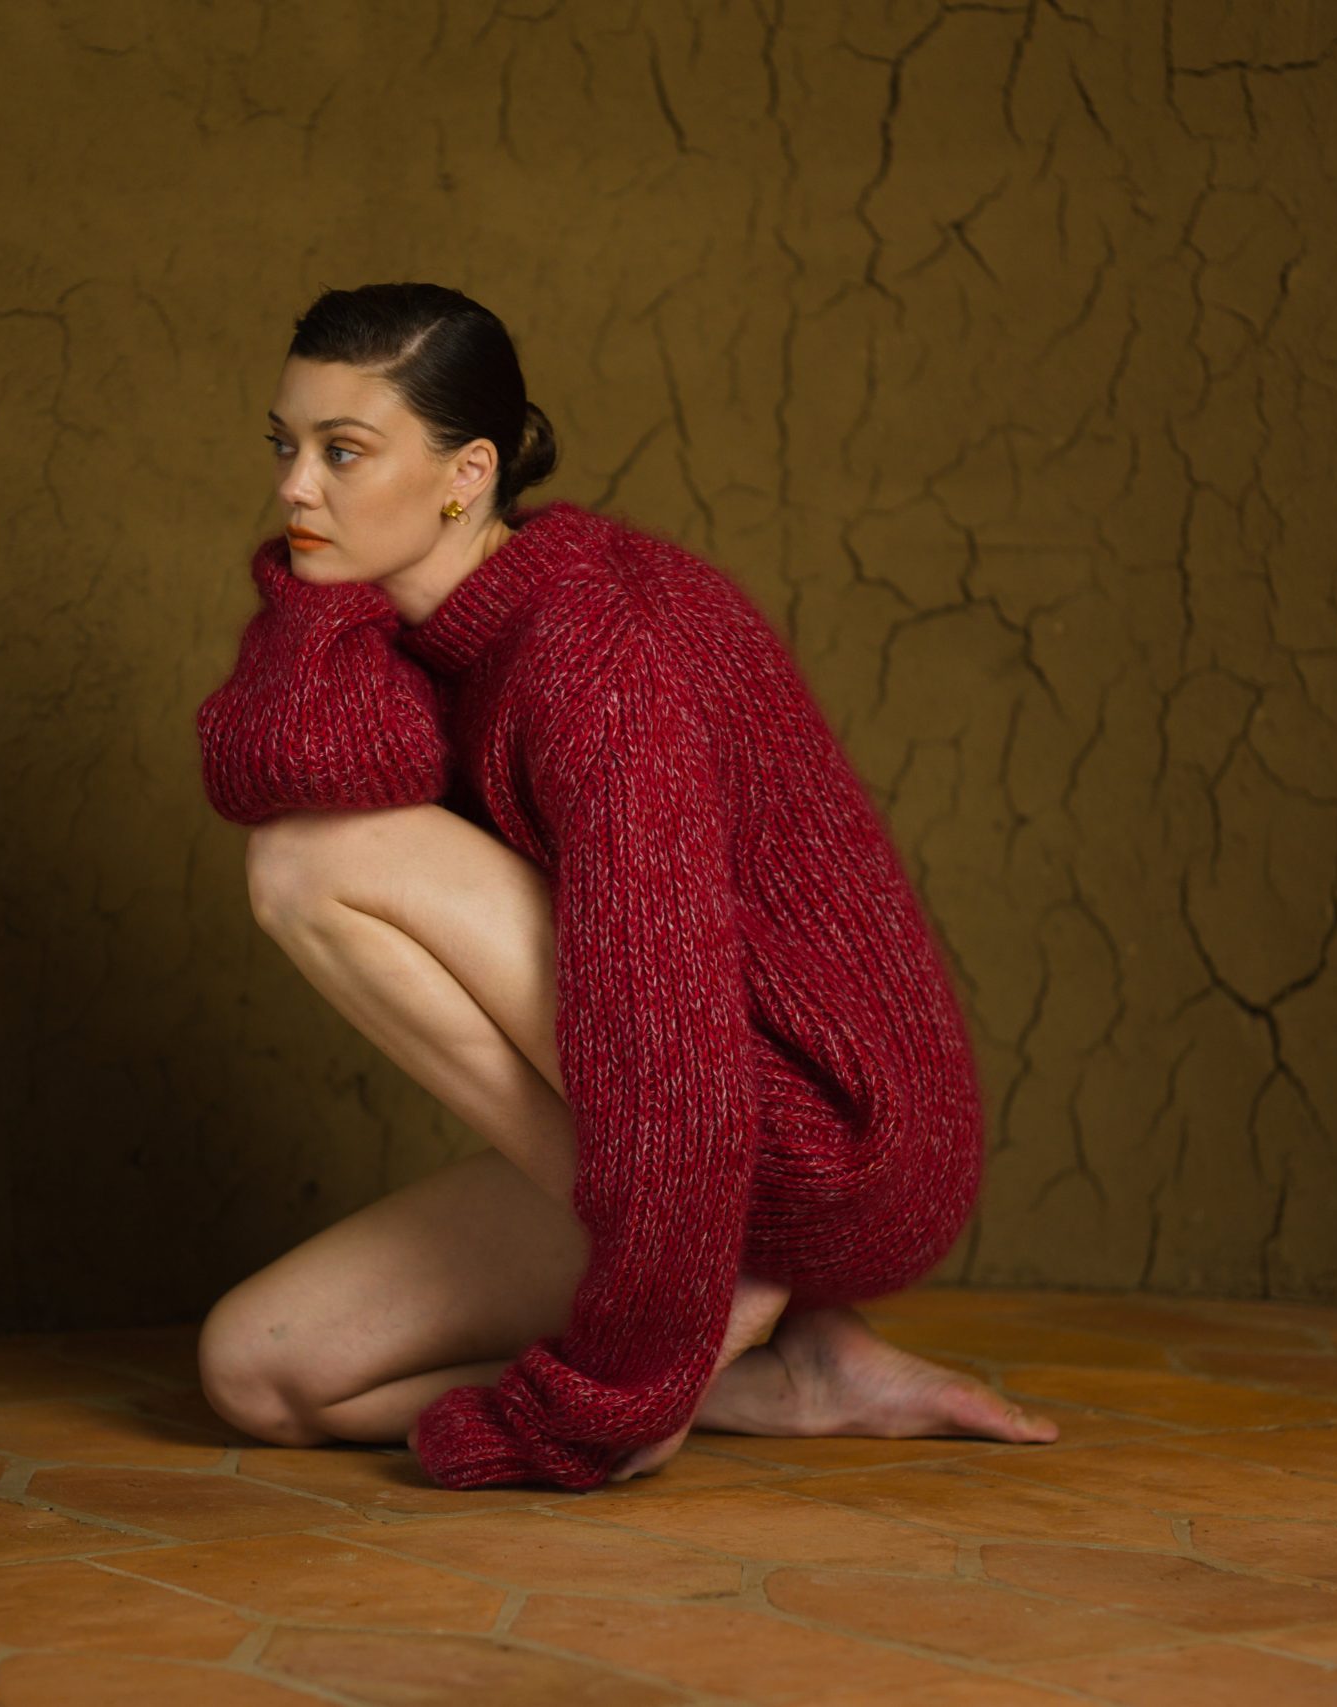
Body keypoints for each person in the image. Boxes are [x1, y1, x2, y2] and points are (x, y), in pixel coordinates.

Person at [193, 281, 1058, 1491]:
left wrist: (627, 1374)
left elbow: (665, 1023)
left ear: (467, 473)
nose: (294, 488)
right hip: (660, 1118)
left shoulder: (595, 649)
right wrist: (313, 600)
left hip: (822, 1136)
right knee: (260, 1372)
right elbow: (305, 759)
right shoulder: (430, 624)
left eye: (343, 452)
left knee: (307, 861)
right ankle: (791, 1370)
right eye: (283, 446)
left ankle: (705, 1291)